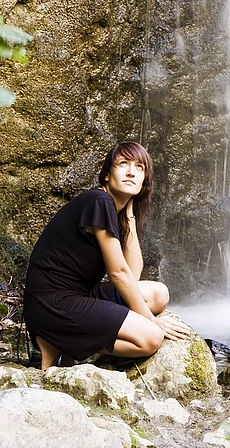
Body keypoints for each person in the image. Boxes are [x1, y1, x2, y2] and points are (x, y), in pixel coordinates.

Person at [23, 141, 190, 370]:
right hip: (53, 304)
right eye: (123, 164)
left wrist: (129, 216)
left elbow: (132, 273)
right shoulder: (98, 201)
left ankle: (63, 340)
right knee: (151, 338)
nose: (131, 171)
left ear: (144, 181)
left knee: (158, 294)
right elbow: (118, 274)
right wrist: (150, 321)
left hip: (79, 295)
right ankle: (60, 339)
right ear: (106, 175)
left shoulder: (115, 210)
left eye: (139, 167)